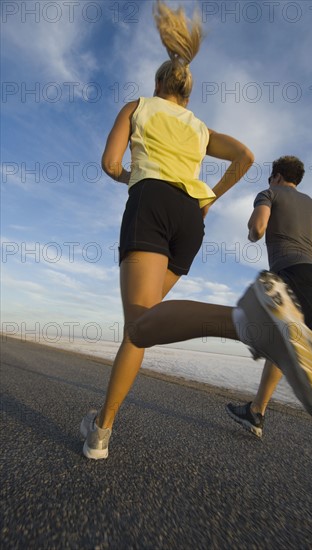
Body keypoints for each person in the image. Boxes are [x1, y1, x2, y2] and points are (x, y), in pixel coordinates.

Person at [80, 0, 255, 459]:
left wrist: (131, 178)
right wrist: (210, 197)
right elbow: (246, 157)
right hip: (189, 220)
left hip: (152, 204)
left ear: (158, 84)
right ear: (188, 95)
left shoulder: (137, 107)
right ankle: (100, 428)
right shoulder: (199, 127)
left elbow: (109, 164)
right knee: (142, 326)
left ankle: (241, 321)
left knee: (138, 325)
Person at [225, 155, 312, 438]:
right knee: (284, 340)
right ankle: (256, 412)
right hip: (311, 275)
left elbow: (258, 229)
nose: (269, 182)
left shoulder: (269, 193)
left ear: (276, 176)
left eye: (270, 178)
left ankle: (257, 411)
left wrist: (253, 231)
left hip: (290, 273)